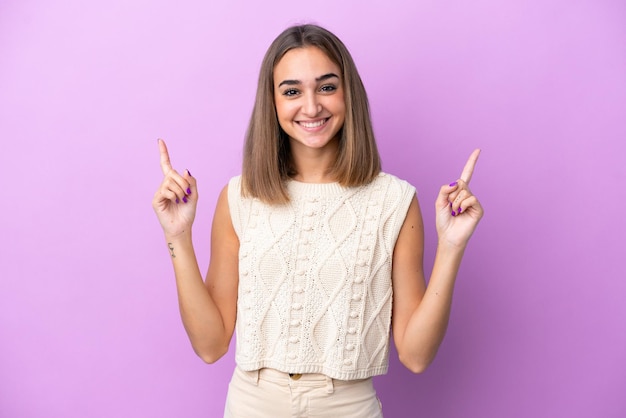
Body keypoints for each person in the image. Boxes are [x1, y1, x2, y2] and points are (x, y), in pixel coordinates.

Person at [152, 23, 483, 418]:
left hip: (348, 407)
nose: (311, 107)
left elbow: (415, 355)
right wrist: (178, 236)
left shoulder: (394, 202)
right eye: (292, 91)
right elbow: (210, 345)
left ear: (348, 94)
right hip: (252, 405)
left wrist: (451, 246)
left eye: (326, 87)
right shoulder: (240, 198)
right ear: (272, 103)